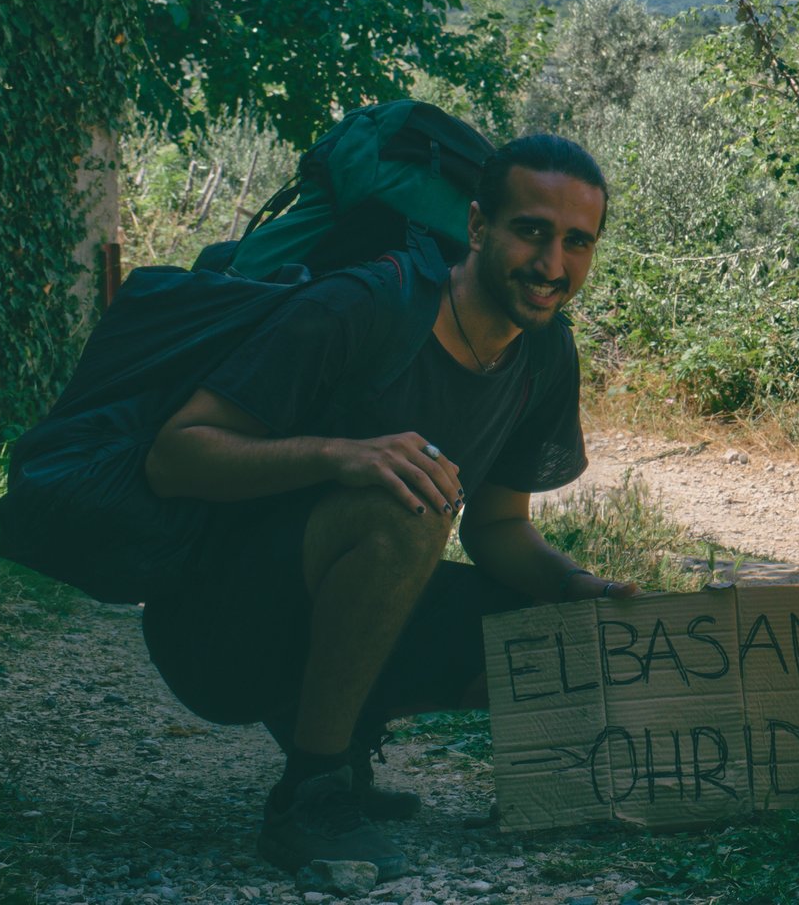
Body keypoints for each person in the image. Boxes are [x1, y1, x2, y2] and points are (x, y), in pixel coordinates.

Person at [140, 133, 635, 881]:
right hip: (217, 630)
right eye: (531, 231)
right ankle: (312, 791)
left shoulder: (543, 354)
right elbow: (175, 455)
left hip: (332, 608)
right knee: (405, 500)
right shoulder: (364, 306)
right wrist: (340, 453)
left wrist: (579, 590)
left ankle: (344, 729)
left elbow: (499, 528)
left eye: (577, 242)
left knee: (541, 619)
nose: (552, 265)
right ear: (477, 227)